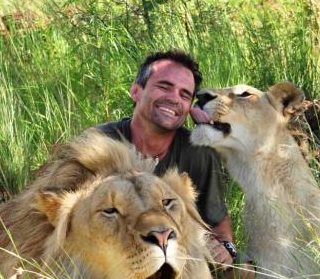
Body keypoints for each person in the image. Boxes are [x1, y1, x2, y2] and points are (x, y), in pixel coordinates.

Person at [95, 50, 237, 266]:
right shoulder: (98, 143)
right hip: (115, 258)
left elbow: (217, 220)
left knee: (243, 274)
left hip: (176, 256)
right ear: (136, 91)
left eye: (184, 95)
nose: (174, 99)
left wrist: (226, 248)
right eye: (164, 87)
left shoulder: (199, 152)